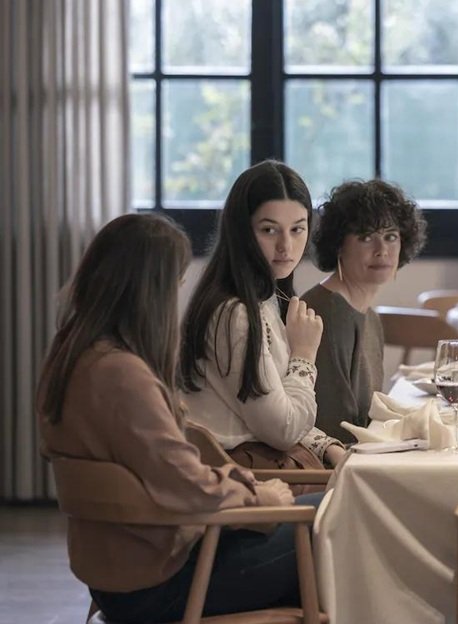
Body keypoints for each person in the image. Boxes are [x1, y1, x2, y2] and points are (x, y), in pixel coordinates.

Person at [37, 214, 314, 622]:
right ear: (151, 290)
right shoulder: (121, 375)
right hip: (161, 583)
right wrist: (259, 497)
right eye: (176, 284)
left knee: (324, 515)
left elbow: (168, 474)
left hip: (118, 578)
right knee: (336, 517)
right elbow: (184, 482)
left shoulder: (73, 358)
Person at [181, 160, 346, 483]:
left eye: (297, 229)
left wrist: (327, 447)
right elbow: (283, 430)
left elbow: (276, 410)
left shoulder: (265, 299)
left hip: (265, 466)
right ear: (242, 231)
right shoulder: (235, 314)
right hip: (248, 479)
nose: (286, 246)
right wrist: (304, 356)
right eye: (269, 230)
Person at [302, 179, 426, 443]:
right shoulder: (329, 313)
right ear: (339, 245)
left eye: (391, 237)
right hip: (336, 461)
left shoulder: (369, 315)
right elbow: (336, 428)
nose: (382, 251)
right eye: (366, 237)